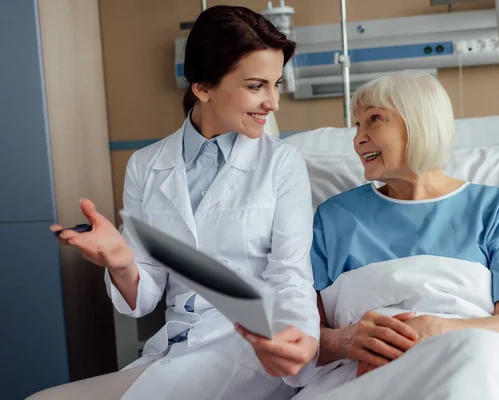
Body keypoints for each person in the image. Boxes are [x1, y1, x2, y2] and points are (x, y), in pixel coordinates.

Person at [32, 5, 319, 400]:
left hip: (250, 351)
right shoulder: (146, 165)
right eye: (256, 86)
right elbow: (143, 297)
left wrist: (302, 343)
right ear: (202, 87)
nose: (273, 103)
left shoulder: (282, 163)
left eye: (276, 84)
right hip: (175, 349)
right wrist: (122, 263)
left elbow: (291, 275)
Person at [289, 71, 499, 400]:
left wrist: (436, 330)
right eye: (356, 126)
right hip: (365, 376)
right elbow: (302, 339)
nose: (358, 139)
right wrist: (346, 341)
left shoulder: (489, 208)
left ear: (418, 121)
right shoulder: (334, 217)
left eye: (373, 120)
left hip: (472, 359)